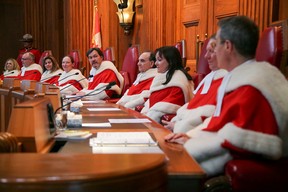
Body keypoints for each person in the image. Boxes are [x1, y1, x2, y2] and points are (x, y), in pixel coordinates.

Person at [164, 16, 288, 177]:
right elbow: (221, 120)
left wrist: (190, 146)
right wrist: (190, 135)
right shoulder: (243, 76)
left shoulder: (250, 87)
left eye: (217, 45)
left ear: (228, 46)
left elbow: (237, 143)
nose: (213, 52)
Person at [162, 35, 227, 132]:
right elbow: (194, 103)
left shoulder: (229, 80)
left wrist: (179, 126)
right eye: (206, 51)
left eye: (212, 51)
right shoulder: (210, 77)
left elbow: (213, 117)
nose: (206, 56)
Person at [141, 46, 194, 123]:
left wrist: (148, 117)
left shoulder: (179, 80)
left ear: (170, 61)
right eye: (156, 60)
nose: (156, 63)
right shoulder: (161, 76)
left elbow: (170, 105)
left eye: (159, 60)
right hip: (151, 115)